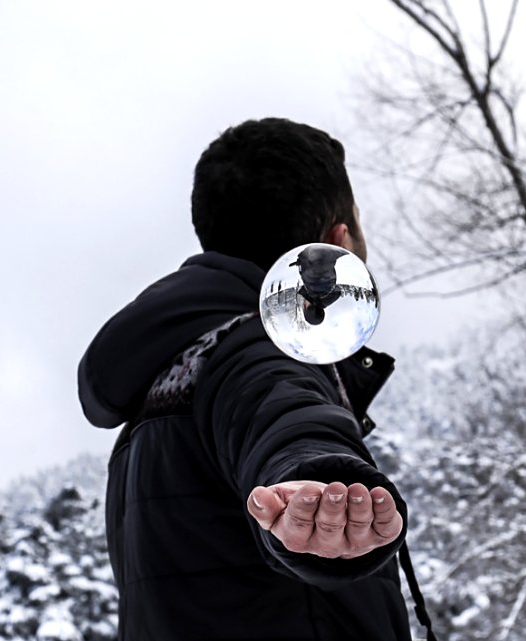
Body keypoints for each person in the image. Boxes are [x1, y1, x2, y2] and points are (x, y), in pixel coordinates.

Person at [78, 118, 435, 641]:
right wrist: (314, 478)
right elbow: (281, 413)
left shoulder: (162, 387)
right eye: (358, 227)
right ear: (337, 243)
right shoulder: (262, 347)